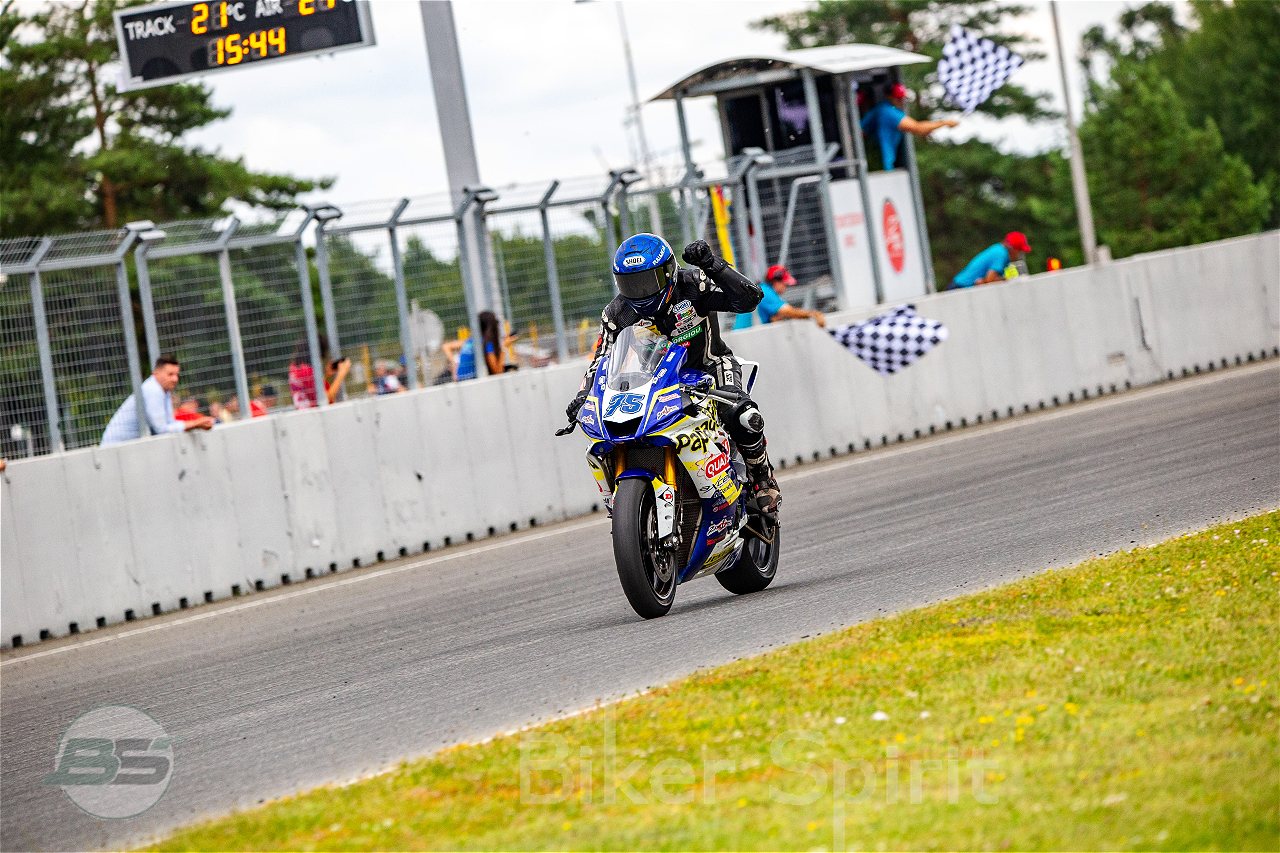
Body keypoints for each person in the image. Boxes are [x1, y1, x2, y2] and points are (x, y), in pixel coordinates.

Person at [565, 234, 781, 518]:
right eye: (631, 284)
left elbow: (749, 300)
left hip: (710, 367)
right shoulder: (617, 313)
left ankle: (762, 477)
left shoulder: (694, 284)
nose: (640, 292)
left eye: (647, 281)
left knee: (743, 415)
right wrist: (584, 395)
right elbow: (601, 360)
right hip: (653, 383)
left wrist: (712, 264)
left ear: (669, 272)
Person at [101, 355, 214, 445]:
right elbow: (161, 429)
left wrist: (197, 423)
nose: (175, 379)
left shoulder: (164, 390)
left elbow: (169, 424)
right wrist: (195, 423)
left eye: (176, 375)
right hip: (116, 448)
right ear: (156, 373)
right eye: (170, 374)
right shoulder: (153, 390)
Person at [859, 82, 958, 171]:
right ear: (889, 96)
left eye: (902, 98)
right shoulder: (888, 112)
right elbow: (918, 128)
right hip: (882, 166)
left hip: (877, 162)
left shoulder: (882, 109)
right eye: (898, 98)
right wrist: (945, 123)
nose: (901, 101)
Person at [732, 264, 826, 330]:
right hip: (745, 336)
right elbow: (789, 312)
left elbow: (776, 317)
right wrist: (813, 314)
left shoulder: (762, 290)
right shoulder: (765, 293)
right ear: (776, 282)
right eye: (785, 284)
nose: (786, 287)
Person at [445, 311, 518, 381]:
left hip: (462, 380)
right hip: (472, 381)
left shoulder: (471, 341)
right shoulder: (487, 344)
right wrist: (504, 347)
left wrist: (454, 365)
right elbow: (497, 372)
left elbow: (446, 346)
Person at [950, 231, 1032, 289]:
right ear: (1013, 249)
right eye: (1019, 251)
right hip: (960, 288)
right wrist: (1008, 280)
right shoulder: (1001, 254)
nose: (1020, 255)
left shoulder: (998, 249)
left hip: (960, 286)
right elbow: (990, 279)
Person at [288, 336, 350, 409]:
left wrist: (326, 375)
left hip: (304, 411)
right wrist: (341, 374)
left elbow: (313, 390)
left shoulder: (294, 368)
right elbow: (325, 399)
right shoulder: (307, 371)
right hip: (314, 413)